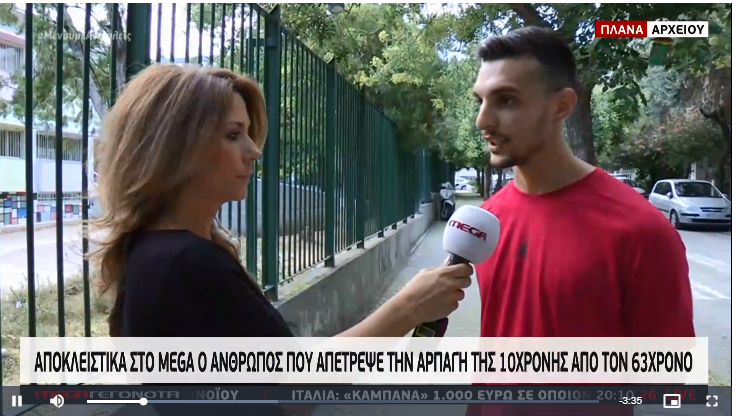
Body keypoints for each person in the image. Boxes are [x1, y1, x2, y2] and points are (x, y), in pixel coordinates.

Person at [91, 64, 472, 415]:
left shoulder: (156, 251)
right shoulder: (185, 263)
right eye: (233, 135)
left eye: (248, 133)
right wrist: (406, 309)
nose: (253, 150)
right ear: (176, 149)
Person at [468, 27, 695, 416]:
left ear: (562, 106)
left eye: (506, 100)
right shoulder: (487, 220)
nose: (482, 120)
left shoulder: (641, 230)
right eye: (480, 101)